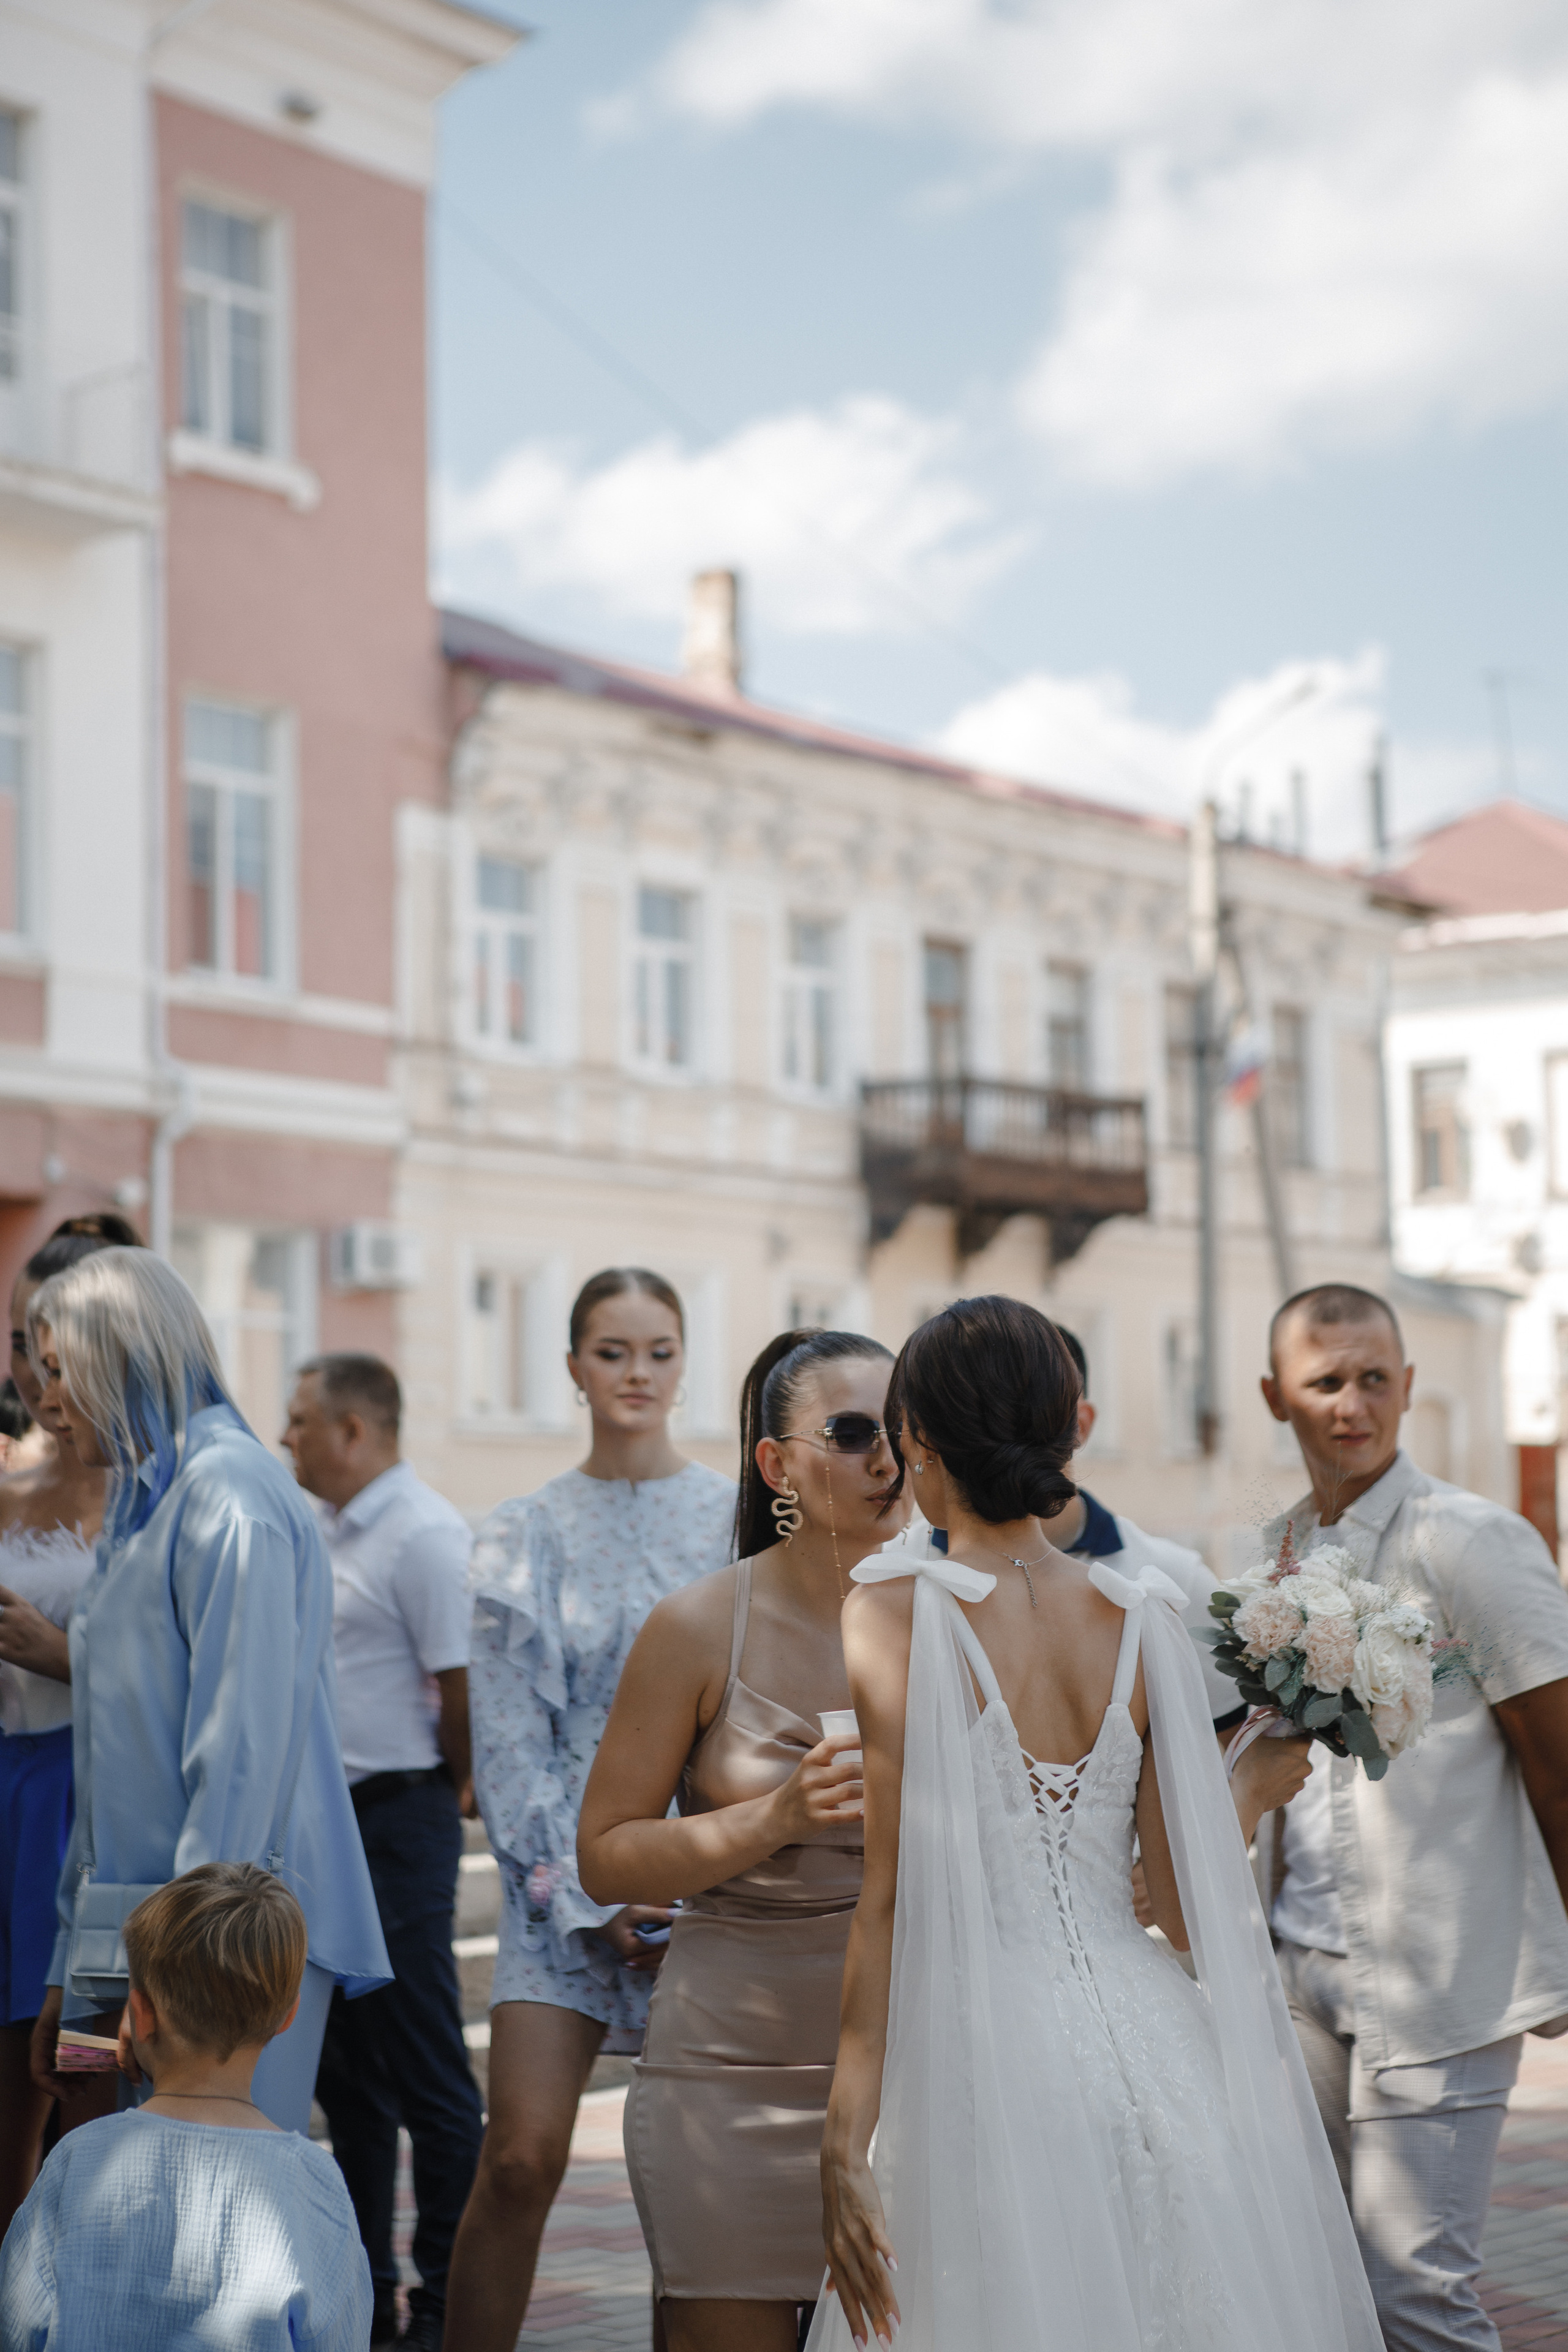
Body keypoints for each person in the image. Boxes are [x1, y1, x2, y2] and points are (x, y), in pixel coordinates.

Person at [813, 1295, 1381, 2352]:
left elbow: (885, 1899)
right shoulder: (1141, 1611)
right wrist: (1252, 1781)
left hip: (990, 2051)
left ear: (923, 1442)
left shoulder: (893, 1611)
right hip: (1159, 2044)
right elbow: (1171, 1900)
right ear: (1060, 1427)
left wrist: (843, 2140)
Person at [579, 1328, 908, 2352]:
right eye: (853, 1433)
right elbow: (607, 1853)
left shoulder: (951, 1620)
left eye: (903, 1429)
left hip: (912, 2072)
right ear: (777, 1466)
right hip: (727, 2075)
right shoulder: (697, 1625)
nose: (887, 1459)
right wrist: (777, 1816)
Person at [1259, 1281, 1568, 2352]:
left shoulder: (1472, 1541)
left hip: (1438, 1980)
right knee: (1326, 2284)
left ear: (1409, 1388)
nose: (1353, 1404)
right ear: (1275, 1397)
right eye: (1326, 1382)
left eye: (1375, 1379)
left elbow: (1559, 1759)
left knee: (1418, 2298)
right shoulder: (1277, 1559)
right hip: (1301, 1973)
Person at [23, 1247, 389, 2132]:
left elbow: (239, 1759)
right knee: (116, 2184)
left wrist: (171, 1981)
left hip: (222, 1950)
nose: (45, 1401)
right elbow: (110, 1778)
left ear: (122, 1358)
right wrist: (68, 1985)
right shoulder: (144, 1501)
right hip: (129, 1944)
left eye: (60, 1372)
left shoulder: (231, 1496)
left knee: (216, 2217)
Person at [443, 1267, 736, 2352]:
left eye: (659, 1351)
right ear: (573, 1368)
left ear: (683, 1364)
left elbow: (745, 1718)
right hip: (557, 1876)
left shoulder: (733, 1522)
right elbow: (509, 1745)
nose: (637, 1373)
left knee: (694, 2187)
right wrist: (586, 1893)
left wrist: (690, 1884)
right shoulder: (523, 1532)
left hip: (705, 1877)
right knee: (519, 2158)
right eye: (613, 1352)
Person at [281, 1352, 483, 2352]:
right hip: (329, 1824)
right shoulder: (317, 1528)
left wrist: (450, 1792)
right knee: (349, 2082)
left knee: (429, 2071)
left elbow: (460, 1689)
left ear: (354, 1430)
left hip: (401, 1819)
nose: (286, 1439)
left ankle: (445, 2308)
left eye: (300, 1420)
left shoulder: (424, 1534)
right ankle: (367, 2298)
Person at [0, 1862, 371, 2351]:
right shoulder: (316, 2183)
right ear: (288, 2017)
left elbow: (20, 2324)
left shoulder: (77, 2160)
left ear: (142, 2013)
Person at [0, 1215, 145, 2229]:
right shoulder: (1, 1466)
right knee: (5, 2092)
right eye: (18, 1341)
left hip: (92, 1800)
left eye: (52, 1346)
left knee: (83, 2071)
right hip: (6, 1792)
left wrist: (60, 1656)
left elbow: (180, 1680)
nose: (34, 1373)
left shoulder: (157, 1485)